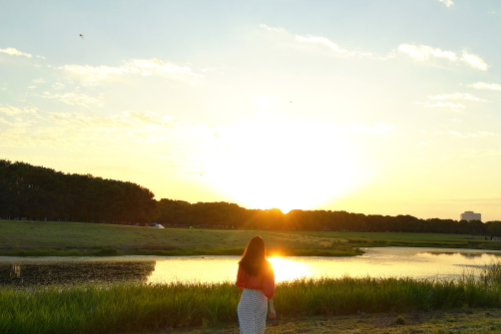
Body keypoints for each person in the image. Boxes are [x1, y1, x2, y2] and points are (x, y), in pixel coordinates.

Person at [236, 236, 276, 334]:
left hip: (245, 299)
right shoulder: (267, 265)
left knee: (246, 330)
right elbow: (269, 290)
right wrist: (272, 308)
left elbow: (239, 282)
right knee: (258, 331)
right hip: (259, 300)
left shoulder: (243, 264)